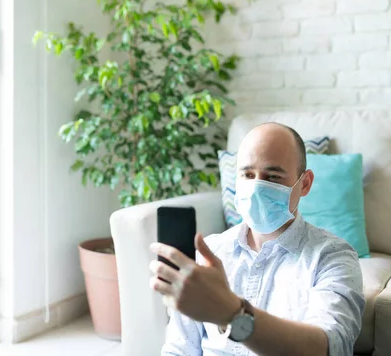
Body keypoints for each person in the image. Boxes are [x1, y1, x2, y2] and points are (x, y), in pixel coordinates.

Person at [150, 122, 365, 356]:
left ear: (304, 184)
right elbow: (178, 349)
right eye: (248, 175)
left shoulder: (332, 257)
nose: (256, 188)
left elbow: (329, 347)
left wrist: (233, 314)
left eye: (273, 177)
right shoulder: (211, 252)